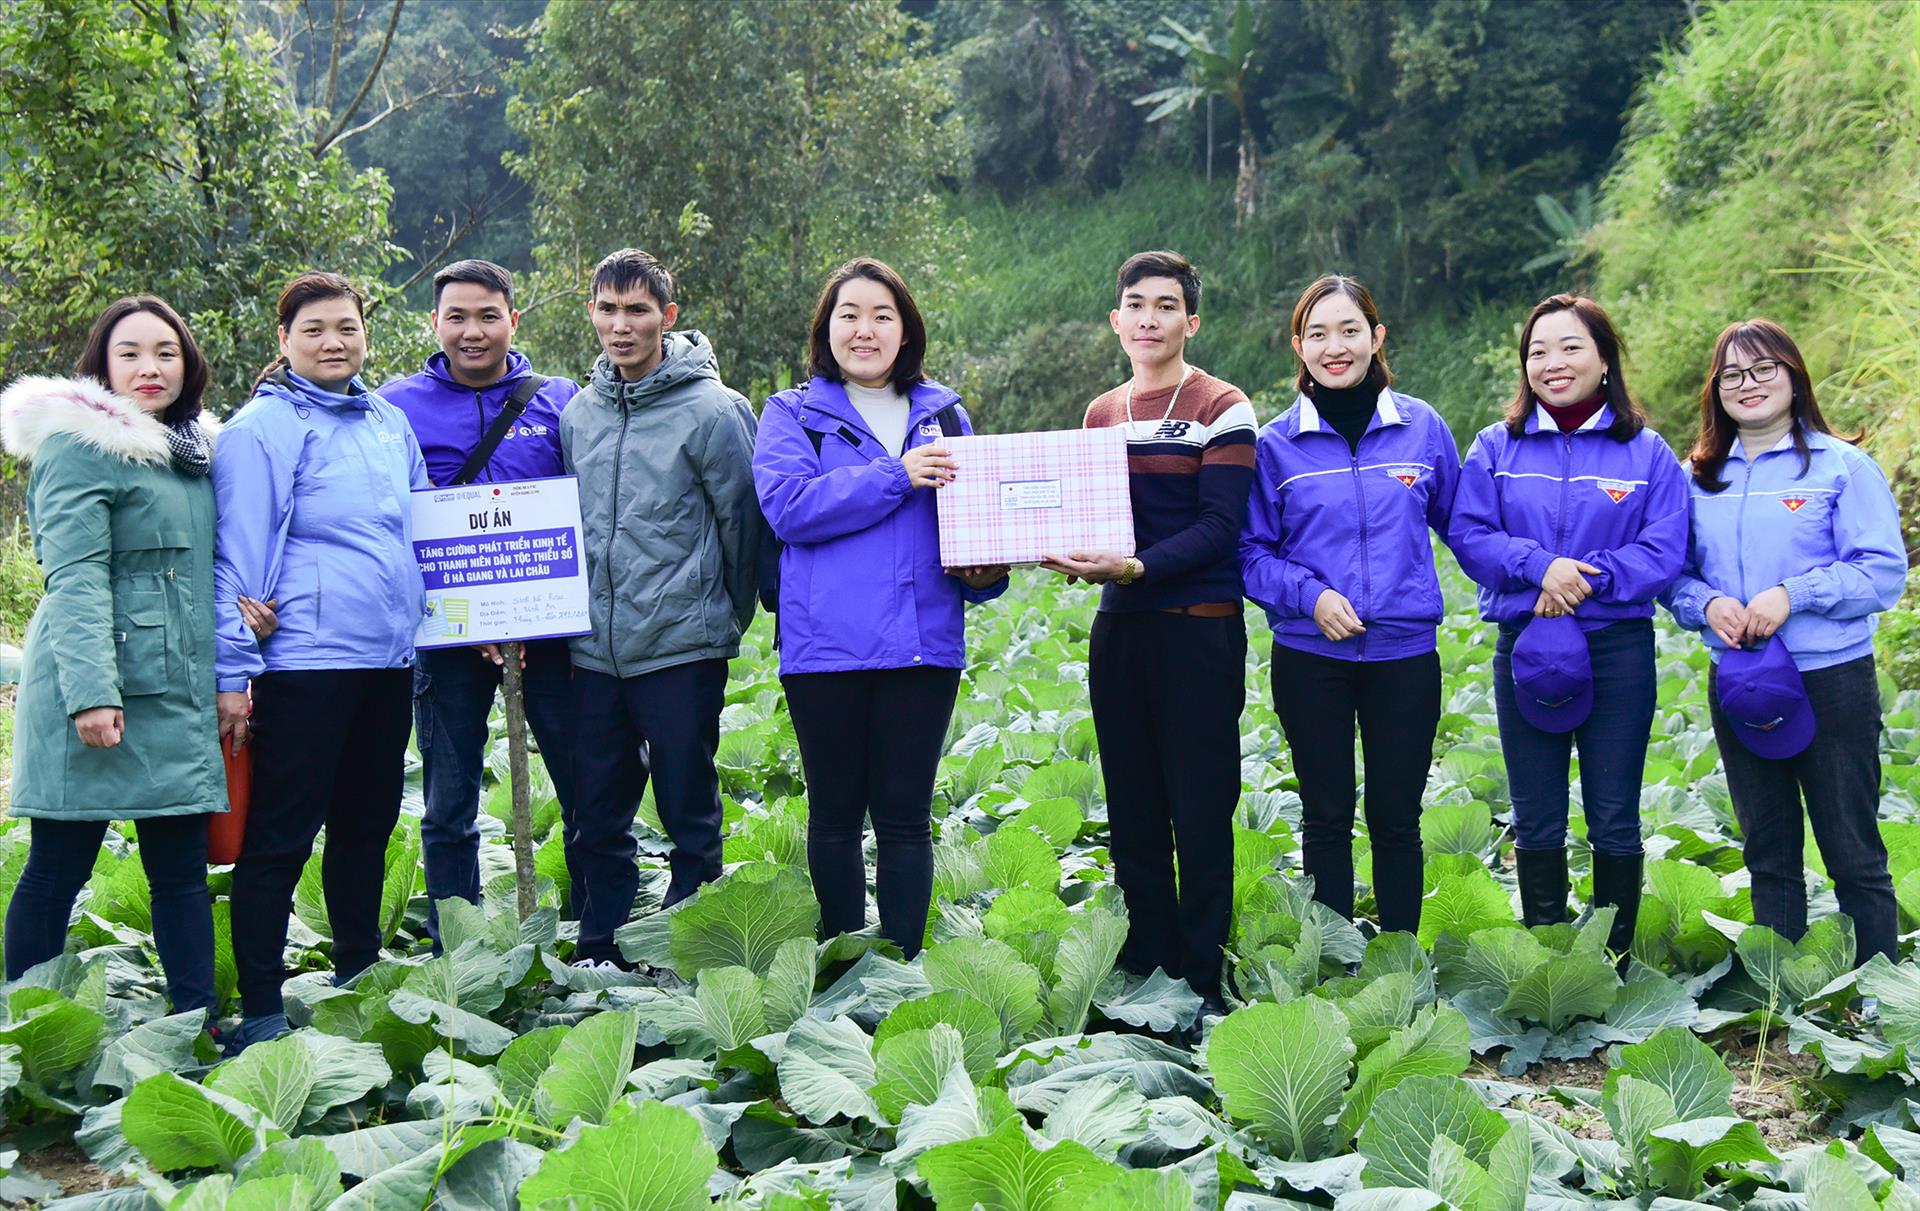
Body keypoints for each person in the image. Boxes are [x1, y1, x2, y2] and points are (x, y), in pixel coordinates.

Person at [754, 258, 1008, 958]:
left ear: (906, 330)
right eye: (849, 315)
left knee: (904, 819)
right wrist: (896, 476)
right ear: (825, 328)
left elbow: (976, 528)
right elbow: (789, 509)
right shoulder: (790, 414)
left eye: (881, 315)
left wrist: (988, 569)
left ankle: (901, 964)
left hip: (923, 645)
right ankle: (842, 959)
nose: (864, 330)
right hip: (823, 647)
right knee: (833, 814)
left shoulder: (945, 414)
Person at [214, 271, 430, 1048]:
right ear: (284, 342)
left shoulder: (386, 422)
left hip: (385, 661)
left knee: (366, 827)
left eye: (347, 327)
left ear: (366, 334)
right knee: (280, 834)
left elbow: (418, 532)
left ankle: (357, 972)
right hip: (303, 662)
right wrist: (233, 671)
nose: (334, 342)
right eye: (314, 330)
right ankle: (263, 1005)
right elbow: (236, 559)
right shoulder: (262, 428)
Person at [1041, 250, 1256, 1012]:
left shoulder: (1222, 406)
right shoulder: (1102, 413)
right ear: (1116, 318)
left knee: (1200, 808)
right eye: (1136, 304)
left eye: (1166, 305)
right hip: (1120, 631)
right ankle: (1147, 962)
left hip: (1198, 630)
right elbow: (1092, 519)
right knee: (1132, 806)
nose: (1149, 318)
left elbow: (1220, 528)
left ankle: (1201, 975)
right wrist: (1065, 549)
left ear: (1190, 321)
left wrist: (1132, 566)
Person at [1, 298, 224, 1021]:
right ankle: (26, 1031)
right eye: (129, 353)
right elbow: (74, 577)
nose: (150, 367)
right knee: (57, 868)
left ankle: (196, 1022)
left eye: (166, 351)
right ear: (100, 365)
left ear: (187, 362)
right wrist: (94, 693)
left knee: (181, 874)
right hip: (93, 690)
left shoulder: (189, 449)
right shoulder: (77, 446)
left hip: (176, 690)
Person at [1451, 294, 1688, 959]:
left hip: (1617, 650)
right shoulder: (1497, 446)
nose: (1553, 363)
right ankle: (1550, 949)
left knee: (1614, 811)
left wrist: (1579, 578)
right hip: (1524, 649)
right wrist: (1537, 566)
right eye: (1537, 351)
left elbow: (1663, 550)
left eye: (1571, 347)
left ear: (1605, 358)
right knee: (1535, 810)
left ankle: (1608, 956)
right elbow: (1470, 532)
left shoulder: (1646, 452)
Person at [1661, 319, 1905, 963]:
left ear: (1794, 377)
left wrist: (1793, 594)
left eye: (1764, 369)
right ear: (1715, 390)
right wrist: (1705, 602)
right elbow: (1673, 575)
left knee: (1853, 850)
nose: (1749, 385)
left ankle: (1877, 997)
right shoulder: (1696, 477)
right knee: (1767, 851)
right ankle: (1783, 995)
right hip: (1740, 680)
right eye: (1732, 375)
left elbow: (1881, 572)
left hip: (1830, 681)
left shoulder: (1841, 466)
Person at [1240, 274, 1461, 937]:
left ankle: (1401, 960)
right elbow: (1250, 553)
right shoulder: (1275, 445)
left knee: (1398, 818)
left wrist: (1540, 580)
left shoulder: (1423, 429)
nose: (1334, 347)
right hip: (1312, 657)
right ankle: (1334, 964)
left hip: (1405, 657)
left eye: (1349, 330)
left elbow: (1469, 528)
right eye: (1317, 334)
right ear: (1298, 347)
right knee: (1326, 814)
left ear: (1376, 337)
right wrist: (1311, 595)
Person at [562, 248, 760, 970]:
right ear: (592, 314)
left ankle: (691, 942)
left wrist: (719, 619)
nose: (622, 325)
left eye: (637, 310)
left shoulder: (714, 409)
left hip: (682, 643)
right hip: (594, 651)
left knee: (688, 804)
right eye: (608, 309)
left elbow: (743, 526)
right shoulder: (578, 414)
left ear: (667, 318)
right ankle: (599, 941)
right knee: (598, 810)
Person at [378, 260, 582, 941]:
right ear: (434, 323)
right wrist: (473, 622)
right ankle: (455, 944)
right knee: (447, 803)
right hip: (446, 639)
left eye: (488, 316)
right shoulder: (394, 406)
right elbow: (386, 517)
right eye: (456, 317)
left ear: (513, 321)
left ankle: (592, 933)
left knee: (584, 789)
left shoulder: (559, 400)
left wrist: (527, 619)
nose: (472, 331)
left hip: (551, 640)